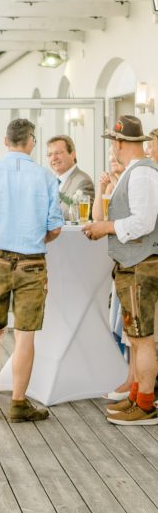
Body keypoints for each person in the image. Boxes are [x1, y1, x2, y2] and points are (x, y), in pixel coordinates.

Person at [0, 118, 63, 422]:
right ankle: (18, 402)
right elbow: (54, 229)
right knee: (25, 336)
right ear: (31, 142)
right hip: (31, 261)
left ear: (5, 141)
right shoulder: (46, 177)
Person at [83, 115, 158, 425]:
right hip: (134, 263)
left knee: (142, 338)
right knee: (137, 336)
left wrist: (105, 227)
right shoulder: (138, 171)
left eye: (112, 143)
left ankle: (145, 405)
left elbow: (143, 222)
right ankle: (137, 396)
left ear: (119, 143)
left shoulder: (141, 174)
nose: (112, 149)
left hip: (141, 264)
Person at [91, 150, 131, 401]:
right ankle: (123, 376)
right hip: (119, 261)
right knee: (119, 320)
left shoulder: (130, 186)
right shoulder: (113, 188)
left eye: (116, 158)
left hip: (129, 258)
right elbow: (98, 218)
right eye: (110, 159)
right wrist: (100, 189)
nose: (112, 162)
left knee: (127, 324)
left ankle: (132, 379)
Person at [47, 134, 94, 221]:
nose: (53, 158)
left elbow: (79, 216)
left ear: (72, 155)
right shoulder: (50, 182)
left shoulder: (83, 181)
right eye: (50, 154)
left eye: (58, 153)